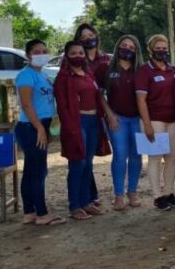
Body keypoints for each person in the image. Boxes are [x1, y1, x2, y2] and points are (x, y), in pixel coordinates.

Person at [15, 39, 65, 225]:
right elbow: (26, 104)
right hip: (31, 127)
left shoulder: (42, 74)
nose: (41, 55)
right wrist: (39, 128)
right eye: (36, 52)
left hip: (40, 125)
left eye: (44, 51)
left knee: (31, 171)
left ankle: (29, 212)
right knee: (38, 172)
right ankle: (42, 214)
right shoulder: (26, 75)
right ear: (28, 55)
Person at [54, 41, 106, 220]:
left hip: (93, 122)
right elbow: (62, 107)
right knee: (78, 163)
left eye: (81, 53)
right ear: (66, 56)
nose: (78, 56)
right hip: (77, 123)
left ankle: (86, 202)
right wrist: (71, 128)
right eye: (73, 53)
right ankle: (74, 206)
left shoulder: (88, 73)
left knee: (88, 164)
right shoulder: (63, 78)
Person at [95, 35, 144, 210]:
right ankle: (119, 195)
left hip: (138, 119)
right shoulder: (106, 68)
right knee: (120, 155)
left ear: (136, 50)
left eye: (131, 47)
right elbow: (99, 94)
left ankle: (132, 191)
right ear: (117, 47)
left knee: (136, 155)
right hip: (117, 119)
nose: (127, 49)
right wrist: (109, 114)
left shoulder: (141, 69)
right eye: (124, 45)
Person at [136, 34, 175, 210]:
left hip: (173, 120)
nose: (161, 51)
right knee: (155, 158)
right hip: (154, 119)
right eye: (158, 48)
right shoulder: (144, 70)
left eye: (164, 48)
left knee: (171, 157)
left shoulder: (172, 69)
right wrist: (147, 124)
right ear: (150, 49)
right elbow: (141, 100)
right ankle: (157, 196)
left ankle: (169, 192)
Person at [71, 23, 112, 207]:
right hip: (81, 114)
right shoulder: (75, 61)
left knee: (89, 156)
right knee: (81, 158)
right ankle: (82, 199)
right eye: (83, 37)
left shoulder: (107, 59)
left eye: (90, 35)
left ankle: (89, 195)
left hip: (100, 112)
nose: (88, 39)